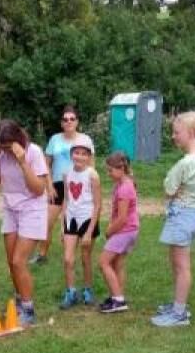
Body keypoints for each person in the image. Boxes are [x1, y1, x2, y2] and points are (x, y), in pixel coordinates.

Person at [151, 111, 195, 327]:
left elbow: (169, 189)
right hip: (193, 214)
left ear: (191, 133)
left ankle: (179, 314)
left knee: (182, 267)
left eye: (177, 132)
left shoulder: (186, 163)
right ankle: (178, 304)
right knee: (178, 264)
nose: (173, 136)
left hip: (182, 217)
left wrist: (171, 189)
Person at [0, 119, 49, 325]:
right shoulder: (0, 155)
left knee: (18, 261)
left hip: (32, 209)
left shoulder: (34, 152)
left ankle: (29, 310)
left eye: (8, 146)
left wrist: (22, 163)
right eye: (1, 146)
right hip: (10, 209)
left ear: (18, 139)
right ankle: (20, 301)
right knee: (11, 262)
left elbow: (38, 189)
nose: (6, 151)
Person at [31, 105, 91, 265]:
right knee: (46, 222)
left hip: (78, 186)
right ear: (61, 123)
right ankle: (42, 255)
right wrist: (49, 185)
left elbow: (91, 166)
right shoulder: (55, 139)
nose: (69, 121)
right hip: (57, 186)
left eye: (72, 119)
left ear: (77, 121)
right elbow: (45, 164)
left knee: (75, 221)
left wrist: (89, 188)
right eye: (65, 119)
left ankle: (73, 256)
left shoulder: (85, 140)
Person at [59, 134, 101, 309]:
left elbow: (97, 205)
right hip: (71, 219)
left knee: (85, 257)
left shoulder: (92, 175)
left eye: (84, 154)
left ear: (89, 157)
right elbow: (66, 199)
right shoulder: (66, 173)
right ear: (71, 154)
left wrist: (90, 231)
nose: (80, 157)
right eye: (76, 153)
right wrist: (62, 225)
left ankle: (87, 290)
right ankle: (70, 292)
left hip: (87, 219)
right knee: (68, 259)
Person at [98, 152, 139, 313]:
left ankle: (118, 300)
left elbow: (122, 218)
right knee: (117, 263)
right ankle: (117, 296)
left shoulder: (124, 188)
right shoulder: (123, 184)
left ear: (121, 168)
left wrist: (109, 231)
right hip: (130, 230)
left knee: (103, 262)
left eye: (110, 170)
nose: (108, 174)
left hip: (124, 231)